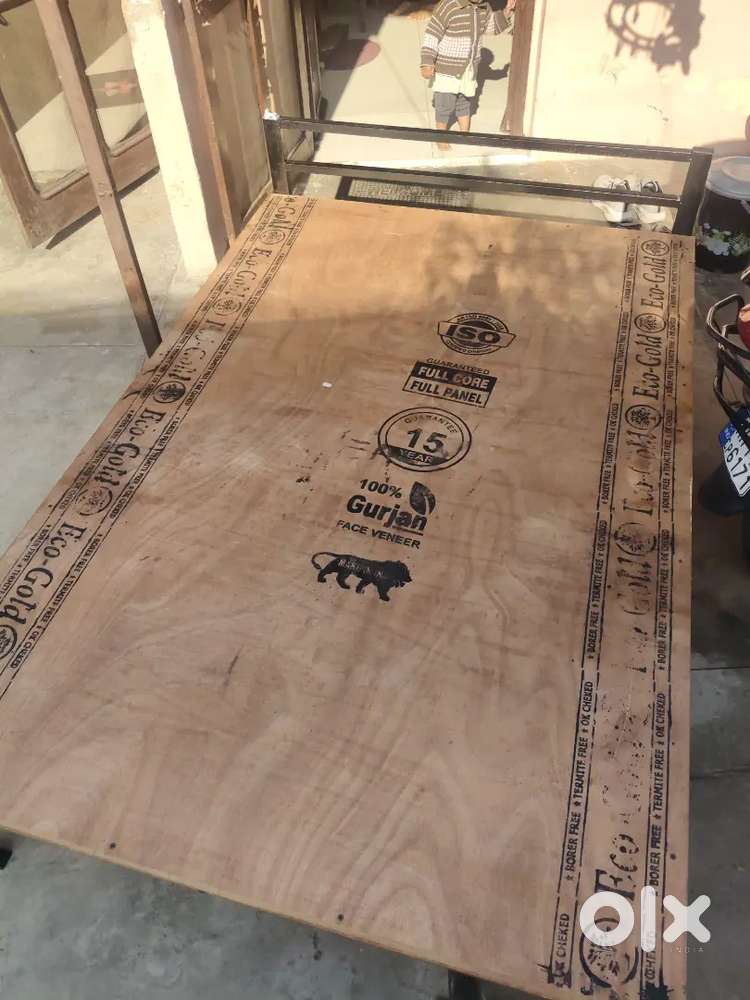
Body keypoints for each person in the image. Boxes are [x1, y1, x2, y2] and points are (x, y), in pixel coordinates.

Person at [420, 0, 516, 146]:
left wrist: (506, 12)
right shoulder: (449, 5)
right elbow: (432, 34)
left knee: (464, 102)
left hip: (469, 69)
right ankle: (441, 137)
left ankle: (464, 134)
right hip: (447, 69)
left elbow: (490, 27)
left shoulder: (483, 7)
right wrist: (427, 62)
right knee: (444, 105)